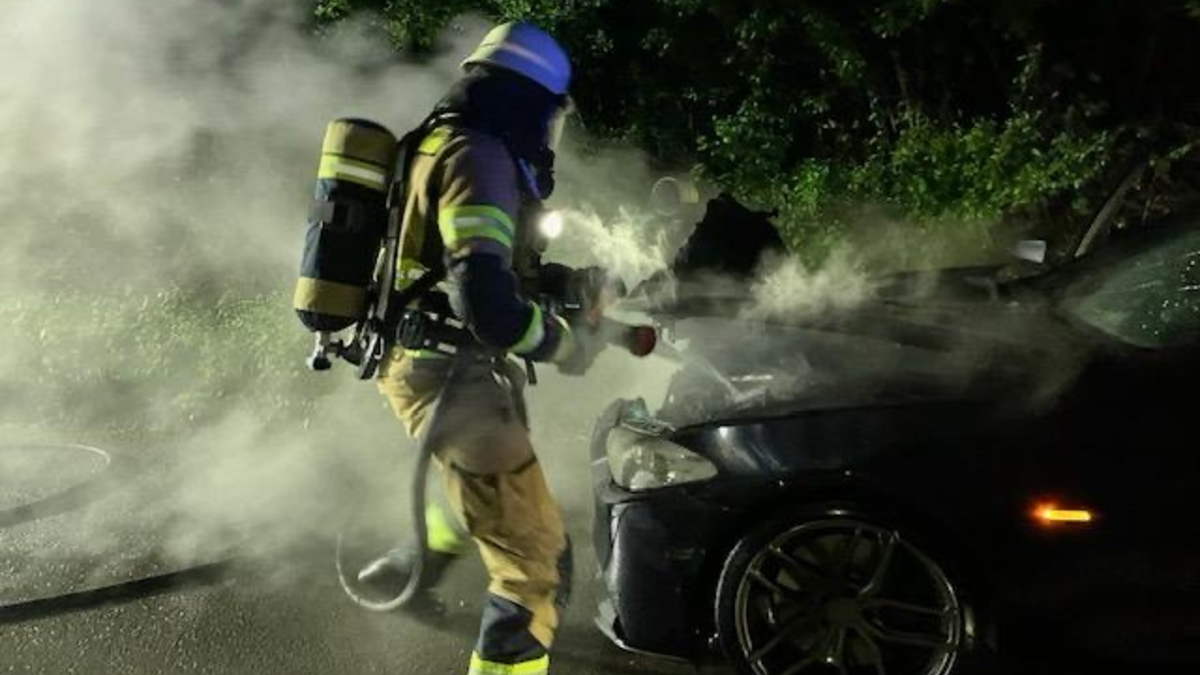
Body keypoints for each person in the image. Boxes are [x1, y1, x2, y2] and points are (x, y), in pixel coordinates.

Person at [360, 21, 581, 675]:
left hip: (434, 366)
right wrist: (560, 343)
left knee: (479, 494)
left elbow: (464, 264)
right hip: (450, 377)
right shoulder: (477, 156)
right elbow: (484, 303)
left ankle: (396, 571)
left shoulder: (441, 143)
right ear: (525, 99)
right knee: (535, 566)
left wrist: (562, 283)